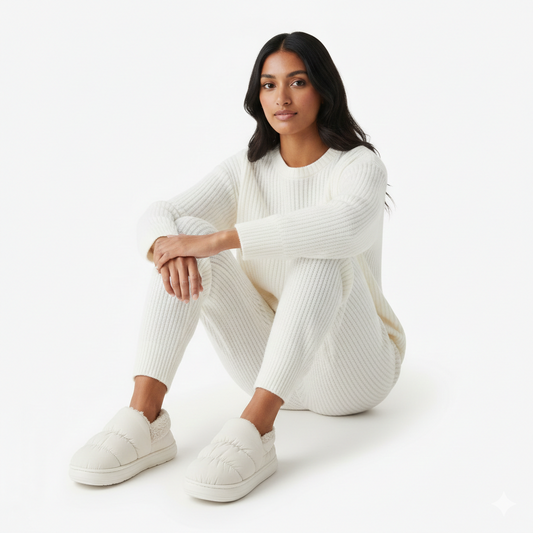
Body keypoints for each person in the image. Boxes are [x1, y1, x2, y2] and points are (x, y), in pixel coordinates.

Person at [69, 31, 406, 502]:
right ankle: (145, 418)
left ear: (324, 90)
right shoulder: (248, 168)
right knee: (184, 234)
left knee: (320, 250)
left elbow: (345, 225)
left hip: (353, 372)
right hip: (271, 365)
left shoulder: (359, 166)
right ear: (257, 95)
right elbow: (160, 214)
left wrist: (224, 237)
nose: (281, 97)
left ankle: (256, 429)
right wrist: (170, 243)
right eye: (269, 85)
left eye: (298, 82)